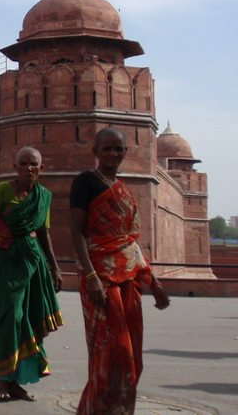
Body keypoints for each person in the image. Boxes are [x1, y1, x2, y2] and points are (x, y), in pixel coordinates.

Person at [70, 127, 170, 415]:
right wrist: (91, 277)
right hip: (99, 279)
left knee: (132, 356)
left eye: (119, 149)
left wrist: (154, 283)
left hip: (128, 280)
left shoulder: (123, 189)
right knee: (109, 352)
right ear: (96, 152)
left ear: (126, 152)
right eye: (108, 149)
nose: (114, 154)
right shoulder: (86, 182)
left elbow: (129, 242)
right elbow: (76, 233)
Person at [0, 146, 63, 402]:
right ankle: (1, 380)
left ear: (41, 168)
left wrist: (54, 266)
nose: (28, 168)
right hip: (4, 262)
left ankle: (17, 382)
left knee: (29, 318)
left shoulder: (44, 196)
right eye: (23, 164)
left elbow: (44, 234)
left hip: (32, 264)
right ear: (15, 167)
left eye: (33, 164)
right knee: (8, 318)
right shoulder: (3, 190)